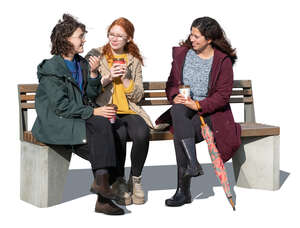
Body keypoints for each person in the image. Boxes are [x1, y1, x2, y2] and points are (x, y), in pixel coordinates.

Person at [32, 14, 125, 215]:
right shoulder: (52, 69)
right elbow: (61, 107)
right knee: (103, 137)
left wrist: (93, 75)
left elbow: (89, 95)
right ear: (66, 39)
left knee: (109, 130)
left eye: (83, 36)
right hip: (57, 121)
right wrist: (94, 111)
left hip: (77, 118)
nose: (84, 40)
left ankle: (102, 187)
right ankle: (104, 195)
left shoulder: (82, 64)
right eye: (80, 36)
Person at [156, 17, 241, 207]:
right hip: (183, 111)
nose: (191, 39)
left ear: (209, 39)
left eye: (196, 36)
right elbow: (171, 84)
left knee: (180, 130)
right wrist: (174, 95)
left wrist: (199, 106)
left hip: (211, 115)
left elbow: (223, 95)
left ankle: (183, 190)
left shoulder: (222, 61)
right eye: (191, 34)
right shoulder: (183, 55)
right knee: (178, 110)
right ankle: (192, 164)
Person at [85, 17, 152, 205]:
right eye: (111, 34)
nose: (114, 39)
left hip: (129, 110)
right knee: (119, 133)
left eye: (119, 36)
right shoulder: (95, 54)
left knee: (142, 132)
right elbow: (86, 90)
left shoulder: (134, 60)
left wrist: (125, 80)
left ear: (128, 38)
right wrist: (106, 78)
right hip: (105, 110)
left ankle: (135, 179)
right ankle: (120, 181)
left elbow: (138, 96)